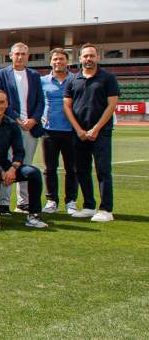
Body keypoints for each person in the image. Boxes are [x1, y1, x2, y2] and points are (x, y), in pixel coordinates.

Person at [0, 90, 48, 229]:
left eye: (2, 102)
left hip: (7, 166)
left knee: (34, 173)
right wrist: (1, 170)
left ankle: (33, 215)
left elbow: (19, 151)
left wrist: (12, 169)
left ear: (7, 104)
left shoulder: (12, 124)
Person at [64, 43, 120, 222]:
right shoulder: (73, 80)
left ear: (98, 58)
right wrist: (79, 130)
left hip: (101, 133)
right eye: (85, 56)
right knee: (81, 170)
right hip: (79, 133)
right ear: (80, 58)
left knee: (103, 170)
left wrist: (96, 129)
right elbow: (67, 106)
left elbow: (112, 105)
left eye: (92, 56)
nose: (88, 59)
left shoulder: (108, 78)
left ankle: (106, 209)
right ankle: (89, 206)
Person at [0, 42, 45, 214]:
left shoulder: (34, 75)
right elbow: (0, 101)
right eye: (17, 54)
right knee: (7, 163)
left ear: (28, 56)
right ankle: (4, 202)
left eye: (23, 54)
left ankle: (23, 202)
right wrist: (17, 120)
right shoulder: (1, 74)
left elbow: (40, 101)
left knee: (26, 164)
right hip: (9, 126)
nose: (20, 57)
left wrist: (33, 120)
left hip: (31, 128)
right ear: (10, 56)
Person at [40, 48, 78, 215]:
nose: (58, 62)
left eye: (61, 59)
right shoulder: (42, 81)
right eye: (55, 59)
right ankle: (51, 201)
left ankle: (71, 201)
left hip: (71, 130)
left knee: (72, 168)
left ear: (67, 61)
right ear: (50, 62)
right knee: (50, 168)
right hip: (49, 131)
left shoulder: (76, 80)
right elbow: (37, 101)